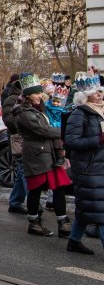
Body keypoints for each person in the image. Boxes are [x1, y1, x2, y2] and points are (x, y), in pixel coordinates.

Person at [14, 74, 72, 238]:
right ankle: (34, 223)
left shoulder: (41, 108)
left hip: (50, 153)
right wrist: (65, 131)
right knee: (36, 189)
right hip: (36, 155)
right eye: (36, 93)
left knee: (59, 187)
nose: (40, 95)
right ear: (27, 95)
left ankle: (63, 222)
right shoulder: (23, 113)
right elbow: (43, 130)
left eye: (40, 92)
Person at [63, 73, 104, 254]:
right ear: (85, 96)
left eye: (100, 91)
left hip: (100, 167)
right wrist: (98, 140)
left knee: (87, 207)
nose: (100, 95)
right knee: (100, 211)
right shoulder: (79, 114)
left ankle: (74, 241)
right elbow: (71, 142)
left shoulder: (102, 111)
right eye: (96, 92)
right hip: (88, 169)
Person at [2, 74, 28, 213]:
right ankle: (34, 204)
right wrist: (26, 124)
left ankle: (15, 202)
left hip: (27, 139)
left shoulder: (29, 98)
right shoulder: (12, 99)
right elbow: (8, 119)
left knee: (21, 172)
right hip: (18, 139)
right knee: (24, 170)